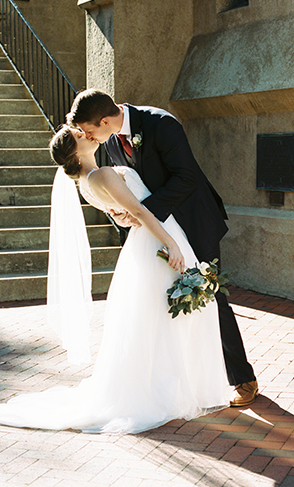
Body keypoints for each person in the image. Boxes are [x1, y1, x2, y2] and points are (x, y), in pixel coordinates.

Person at [0, 126, 230, 434]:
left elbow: (122, 214)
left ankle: (168, 385)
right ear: (75, 152)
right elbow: (139, 211)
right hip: (157, 241)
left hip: (144, 244)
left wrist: (129, 218)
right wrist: (172, 243)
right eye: (78, 136)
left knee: (157, 319)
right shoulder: (102, 176)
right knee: (168, 317)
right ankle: (166, 390)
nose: (86, 134)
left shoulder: (86, 182)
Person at [67, 89, 259, 407]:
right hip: (161, 231)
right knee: (170, 303)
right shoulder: (112, 140)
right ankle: (185, 382)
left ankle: (243, 379)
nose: (87, 136)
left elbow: (186, 178)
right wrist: (126, 213)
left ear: (103, 121)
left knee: (211, 297)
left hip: (195, 223)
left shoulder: (161, 123)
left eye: (89, 130)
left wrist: (142, 212)